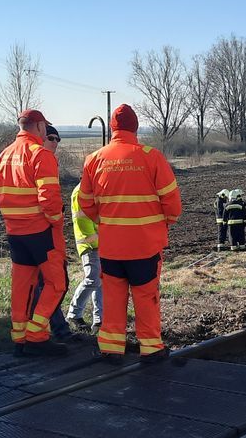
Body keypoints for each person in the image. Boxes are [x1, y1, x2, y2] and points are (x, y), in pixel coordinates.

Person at [77, 104, 182, 362]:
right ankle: (151, 349)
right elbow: (173, 205)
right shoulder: (152, 157)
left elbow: (85, 203)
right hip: (145, 246)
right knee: (146, 297)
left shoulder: (94, 159)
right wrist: (161, 224)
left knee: (112, 299)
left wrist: (108, 223)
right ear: (135, 127)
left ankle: (111, 349)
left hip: (112, 248)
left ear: (112, 128)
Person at [0, 109, 67, 356]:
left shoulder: (3, 155)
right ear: (38, 126)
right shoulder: (40, 154)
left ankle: (20, 338)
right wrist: (56, 222)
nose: (47, 131)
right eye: (45, 126)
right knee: (57, 283)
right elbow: (49, 199)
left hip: (15, 232)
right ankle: (37, 335)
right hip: (40, 231)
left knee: (22, 285)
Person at [31, 124, 73, 341]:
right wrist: (56, 217)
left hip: (44, 235)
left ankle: (56, 326)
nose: (55, 142)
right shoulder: (40, 159)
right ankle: (49, 328)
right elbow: (46, 200)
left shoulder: (45, 160)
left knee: (53, 284)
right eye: (51, 137)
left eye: (58, 139)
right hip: (44, 235)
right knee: (54, 283)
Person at [66, 184, 104, 333]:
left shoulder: (93, 189)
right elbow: (83, 222)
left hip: (98, 242)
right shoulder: (81, 192)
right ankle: (73, 315)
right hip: (89, 244)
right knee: (93, 279)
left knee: (100, 281)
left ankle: (100, 321)